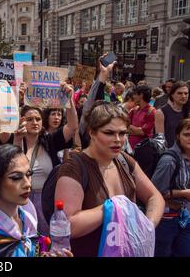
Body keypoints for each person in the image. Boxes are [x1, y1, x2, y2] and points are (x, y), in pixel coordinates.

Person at [55, 101, 165, 257]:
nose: (118, 139)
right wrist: (112, 207)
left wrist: (147, 226)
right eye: (109, 133)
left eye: (122, 133)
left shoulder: (124, 160)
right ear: (91, 132)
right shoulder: (74, 168)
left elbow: (155, 196)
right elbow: (67, 225)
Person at [0, 84, 78, 235]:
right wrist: (16, 99)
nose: (34, 122)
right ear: (21, 120)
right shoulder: (12, 139)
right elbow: (4, 129)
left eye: (38, 119)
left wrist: (69, 101)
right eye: (29, 119)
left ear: (42, 123)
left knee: (45, 243)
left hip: (46, 202)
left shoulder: (50, 141)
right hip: (16, 202)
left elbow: (73, 127)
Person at [152, 118, 190, 257]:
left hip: (183, 218)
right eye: (187, 134)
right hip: (166, 220)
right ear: (178, 136)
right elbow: (153, 192)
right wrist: (184, 193)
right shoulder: (169, 161)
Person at [155, 81, 189, 148]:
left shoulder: (188, 112)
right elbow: (160, 140)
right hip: (169, 153)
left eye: (186, 93)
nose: (183, 96)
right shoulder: (161, 112)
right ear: (172, 95)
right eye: (180, 93)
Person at [128, 85, 156, 149]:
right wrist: (136, 130)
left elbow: (142, 132)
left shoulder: (152, 111)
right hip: (130, 148)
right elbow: (125, 127)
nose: (133, 96)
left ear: (141, 95)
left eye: (135, 94)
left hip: (143, 149)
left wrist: (130, 127)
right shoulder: (134, 110)